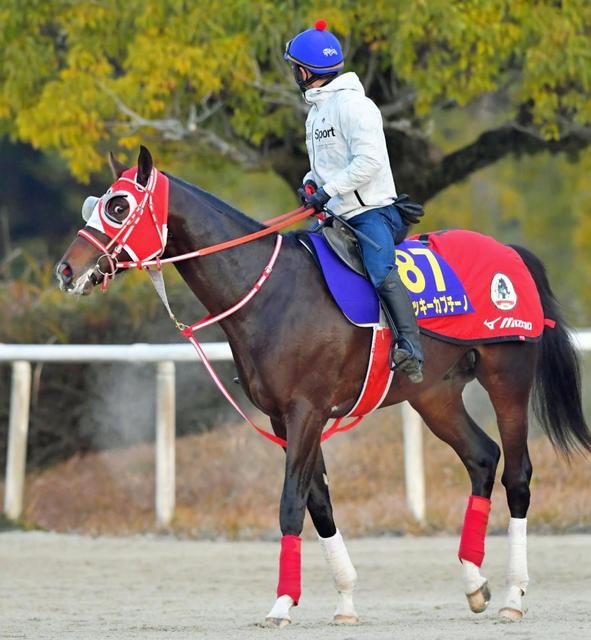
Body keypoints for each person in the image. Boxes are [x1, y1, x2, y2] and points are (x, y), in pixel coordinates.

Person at [285, 19, 424, 383]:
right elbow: (323, 167)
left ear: (305, 71)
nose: (293, 74)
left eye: (294, 68)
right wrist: (311, 185)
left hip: (371, 213)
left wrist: (331, 191)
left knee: (379, 271)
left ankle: (411, 347)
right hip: (336, 215)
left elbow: (369, 162)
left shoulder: (356, 106)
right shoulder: (315, 112)